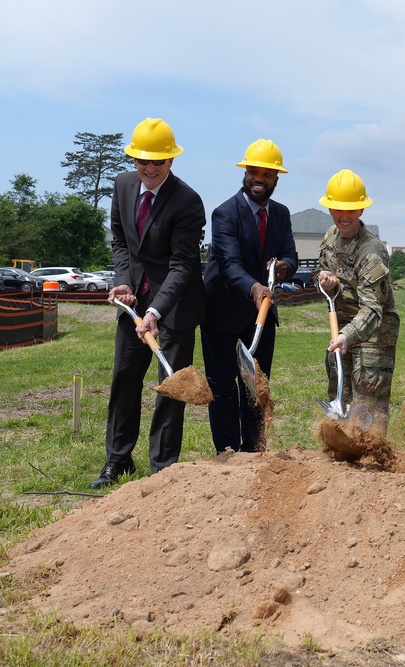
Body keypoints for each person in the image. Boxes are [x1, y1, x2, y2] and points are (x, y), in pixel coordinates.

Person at [92, 118, 207, 488]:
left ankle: (163, 471)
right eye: (143, 160)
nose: (149, 168)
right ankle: (117, 460)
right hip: (133, 302)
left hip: (174, 308)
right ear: (134, 159)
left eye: (158, 161)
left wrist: (156, 311)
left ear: (171, 161)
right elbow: (121, 243)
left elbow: (183, 264)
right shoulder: (123, 186)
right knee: (124, 379)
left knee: (170, 387)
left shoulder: (188, 202)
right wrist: (123, 282)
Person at [201, 139, 298, 453]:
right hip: (222, 314)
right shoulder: (225, 214)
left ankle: (254, 449)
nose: (260, 178)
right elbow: (229, 265)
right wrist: (255, 287)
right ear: (245, 173)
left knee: (256, 385)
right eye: (254, 171)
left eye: (267, 174)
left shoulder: (281, 215)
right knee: (224, 386)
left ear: (275, 179)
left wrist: (284, 269)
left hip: (261, 317)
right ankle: (227, 453)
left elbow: (291, 257)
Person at [316, 170, 399, 433]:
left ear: (361, 209)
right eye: (337, 208)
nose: (343, 215)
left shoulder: (371, 252)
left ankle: (373, 457)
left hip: (375, 331)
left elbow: (374, 308)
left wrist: (347, 335)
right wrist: (328, 283)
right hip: (342, 327)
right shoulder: (330, 237)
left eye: (350, 208)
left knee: (367, 401)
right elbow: (330, 281)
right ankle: (342, 456)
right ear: (329, 207)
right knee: (339, 388)